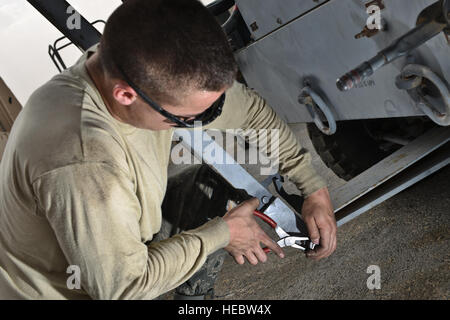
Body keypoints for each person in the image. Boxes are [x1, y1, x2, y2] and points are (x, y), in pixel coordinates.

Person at [0, 0, 336, 300]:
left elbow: (249, 112)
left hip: (121, 232)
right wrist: (221, 234)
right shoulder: (82, 158)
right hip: (75, 288)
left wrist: (313, 189)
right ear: (126, 95)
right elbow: (123, 288)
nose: (201, 122)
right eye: (188, 118)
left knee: (210, 185)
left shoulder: (138, 64)